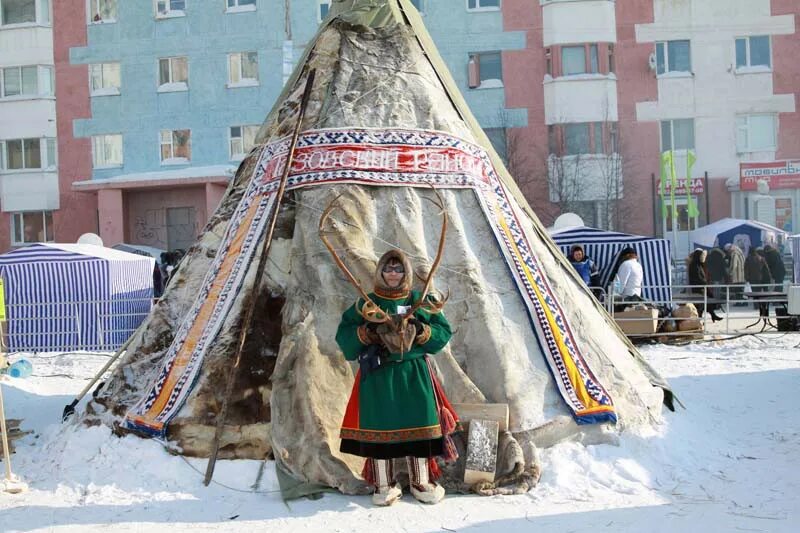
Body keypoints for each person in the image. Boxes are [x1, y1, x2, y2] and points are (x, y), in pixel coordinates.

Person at [336, 249, 458, 507]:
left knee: (421, 425)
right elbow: (344, 335)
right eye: (388, 269)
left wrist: (422, 331)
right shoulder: (366, 303)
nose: (393, 274)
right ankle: (383, 484)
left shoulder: (421, 299)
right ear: (380, 271)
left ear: (406, 272)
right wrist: (366, 334)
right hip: (379, 374)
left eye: (398, 269)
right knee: (380, 426)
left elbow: (442, 331)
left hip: (414, 373)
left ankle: (421, 481)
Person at [687, 249, 723, 322]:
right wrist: (704, 283)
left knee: (706, 303)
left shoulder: (698, 264)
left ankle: (712, 315)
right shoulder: (694, 265)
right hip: (698, 288)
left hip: (702, 287)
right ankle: (699, 320)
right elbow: (697, 278)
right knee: (701, 305)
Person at [745, 247, 771, 315]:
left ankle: (756, 305)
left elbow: (746, 269)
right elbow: (767, 268)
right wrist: (768, 277)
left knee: (755, 292)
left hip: (752, 278)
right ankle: (763, 305)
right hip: (761, 278)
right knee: (761, 293)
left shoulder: (748, 259)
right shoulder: (761, 258)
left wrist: (747, 278)